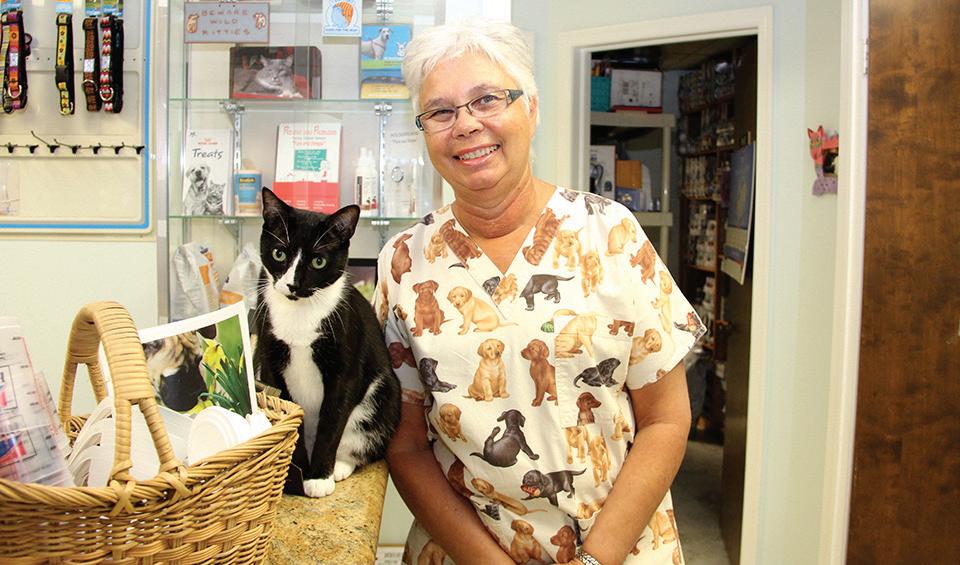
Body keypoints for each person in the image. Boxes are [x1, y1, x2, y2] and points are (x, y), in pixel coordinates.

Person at [374, 18, 705, 565]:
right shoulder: (403, 263)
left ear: (530, 108)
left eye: (487, 99)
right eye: (440, 111)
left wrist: (596, 559)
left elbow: (666, 419)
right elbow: (405, 445)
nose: (466, 125)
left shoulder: (611, 234)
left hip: (621, 548)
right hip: (463, 551)